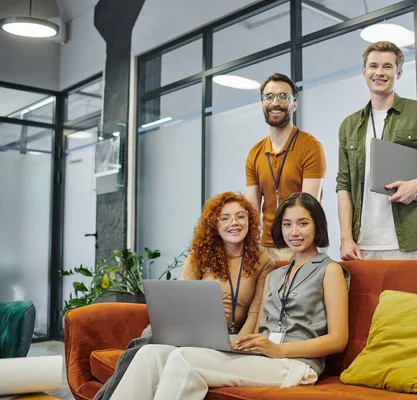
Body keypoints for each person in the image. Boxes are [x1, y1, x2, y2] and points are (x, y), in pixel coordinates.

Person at [109, 192, 350, 399]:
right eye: (287, 224)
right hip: (263, 355)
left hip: (295, 364)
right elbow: (259, 324)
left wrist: (279, 350)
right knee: (152, 353)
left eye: (302, 223)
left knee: (184, 358)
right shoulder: (277, 275)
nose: (293, 231)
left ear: (318, 225)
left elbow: (339, 340)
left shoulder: (330, 270)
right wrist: (244, 344)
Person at [93, 192, 274, 400]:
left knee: (144, 349)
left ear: (249, 220)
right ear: (214, 224)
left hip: (230, 334)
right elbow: (182, 303)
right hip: (190, 329)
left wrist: (238, 345)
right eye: (225, 218)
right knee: (141, 348)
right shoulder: (199, 256)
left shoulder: (263, 261)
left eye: (240, 216)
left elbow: (255, 312)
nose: (234, 223)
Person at [336, 41, 417, 261]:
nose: (379, 72)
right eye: (373, 66)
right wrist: (346, 238)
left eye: (387, 66)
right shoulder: (349, 125)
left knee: (414, 297)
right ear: (364, 71)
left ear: (399, 72)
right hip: (362, 243)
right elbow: (343, 184)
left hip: (413, 239)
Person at [246, 73, 327, 262]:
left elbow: (309, 205)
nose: (275, 102)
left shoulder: (310, 146)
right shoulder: (255, 152)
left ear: (294, 104)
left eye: (283, 96)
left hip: (302, 244)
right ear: (262, 103)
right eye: (269, 96)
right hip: (266, 247)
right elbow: (252, 211)